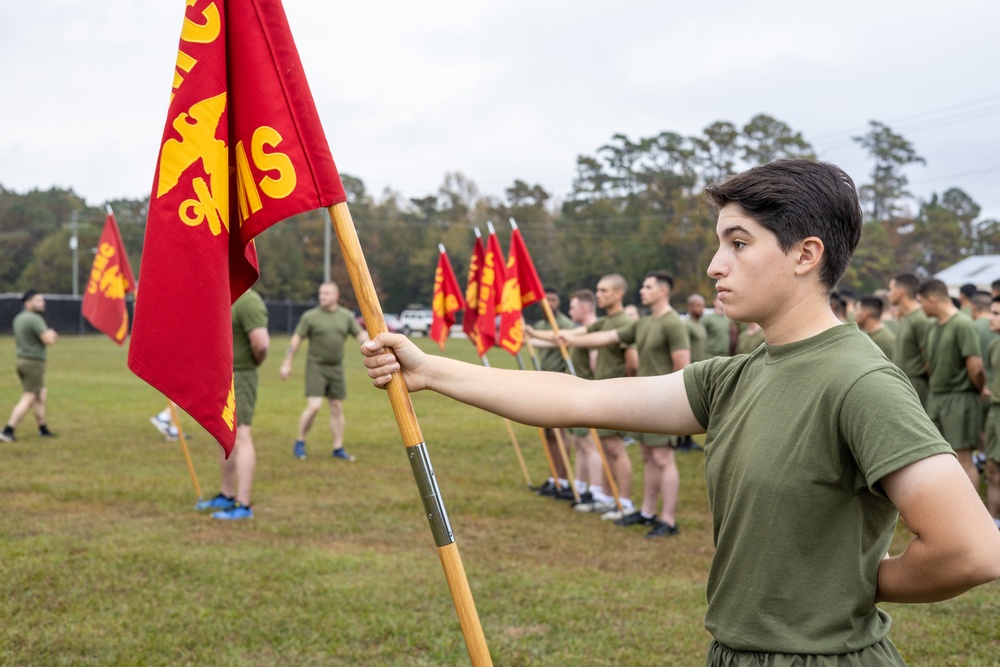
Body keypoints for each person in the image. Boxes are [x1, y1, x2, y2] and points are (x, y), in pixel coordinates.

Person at [361, 159, 1000, 665]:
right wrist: (431, 370)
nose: (715, 264)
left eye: (739, 242)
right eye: (720, 241)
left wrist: (855, 582)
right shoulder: (735, 375)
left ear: (806, 255)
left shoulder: (861, 381)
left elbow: (971, 549)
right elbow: (579, 397)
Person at [558, 271, 690, 535]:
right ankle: (648, 512)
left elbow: (682, 364)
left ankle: (668, 520)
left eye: (648, 286)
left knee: (664, 458)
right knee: (648, 457)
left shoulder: (672, 323)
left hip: (666, 400)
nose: (642, 290)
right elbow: (607, 338)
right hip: (647, 400)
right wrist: (569, 338)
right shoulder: (642, 324)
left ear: (663, 291)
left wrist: (675, 400)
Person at [533, 274, 638, 514]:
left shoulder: (623, 321)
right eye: (598, 291)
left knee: (615, 449)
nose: (598, 295)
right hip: (604, 393)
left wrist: (628, 387)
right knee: (606, 447)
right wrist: (533, 333)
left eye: (603, 291)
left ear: (618, 293)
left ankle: (626, 502)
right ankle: (610, 497)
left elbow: (632, 362)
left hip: (617, 392)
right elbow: (574, 336)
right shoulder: (605, 322)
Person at [196, 287, 269, 520]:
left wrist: (248, 365)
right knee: (223, 435)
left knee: (242, 436)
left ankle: (243, 504)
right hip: (221, 375)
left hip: (241, 375)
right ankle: (227, 494)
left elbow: (262, 344)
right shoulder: (222, 297)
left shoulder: (248, 301)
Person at [280, 281, 368, 461]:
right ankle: (300, 441)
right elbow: (297, 340)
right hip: (316, 367)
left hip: (336, 367)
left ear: (336, 296)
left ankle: (338, 448)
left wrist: (372, 347)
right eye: (321, 293)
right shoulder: (310, 317)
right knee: (314, 407)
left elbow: (361, 336)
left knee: (337, 408)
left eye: (326, 293)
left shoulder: (345, 316)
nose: (322, 296)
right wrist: (287, 362)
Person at [917, 278, 986, 489]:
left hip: (960, 399)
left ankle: (970, 517)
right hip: (936, 398)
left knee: (963, 460)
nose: (921, 307)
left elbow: (975, 367)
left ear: (932, 299)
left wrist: (977, 390)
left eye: (922, 302)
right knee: (936, 458)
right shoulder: (932, 326)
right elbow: (929, 362)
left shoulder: (963, 325)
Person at [531, 288, 576, 499]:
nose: (549, 303)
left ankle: (564, 477)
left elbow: (559, 339)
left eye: (554, 299)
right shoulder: (540, 325)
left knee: (559, 432)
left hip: (560, 382)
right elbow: (536, 341)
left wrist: (531, 333)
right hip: (543, 383)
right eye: (546, 299)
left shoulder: (565, 324)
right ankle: (553, 477)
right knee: (549, 432)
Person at [1, 290, 58, 443]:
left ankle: (43, 428)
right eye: (38, 300)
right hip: (33, 363)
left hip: (22, 361)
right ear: (28, 303)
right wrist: (52, 334)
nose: (42, 303)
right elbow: (48, 341)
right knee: (29, 397)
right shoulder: (35, 319)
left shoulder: (19, 318)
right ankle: (8, 430)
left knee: (40, 394)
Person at [888, 272, 931, 406]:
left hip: (916, 387)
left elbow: (928, 359)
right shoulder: (906, 317)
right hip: (904, 385)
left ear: (900, 292)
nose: (889, 294)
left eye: (891, 290)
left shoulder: (920, 319)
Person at [983, 296, 1000, 529]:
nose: (990, 317)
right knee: (993, 470)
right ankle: (993, 526)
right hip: (995, 411)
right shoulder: (994, 344)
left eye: (996, 314)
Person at [700, 293, 733, 358]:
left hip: (725, 356)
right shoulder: (708, 318)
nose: (722, 302)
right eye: (719, 300)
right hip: (711, 355)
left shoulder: (729, 319)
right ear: (714, 301)